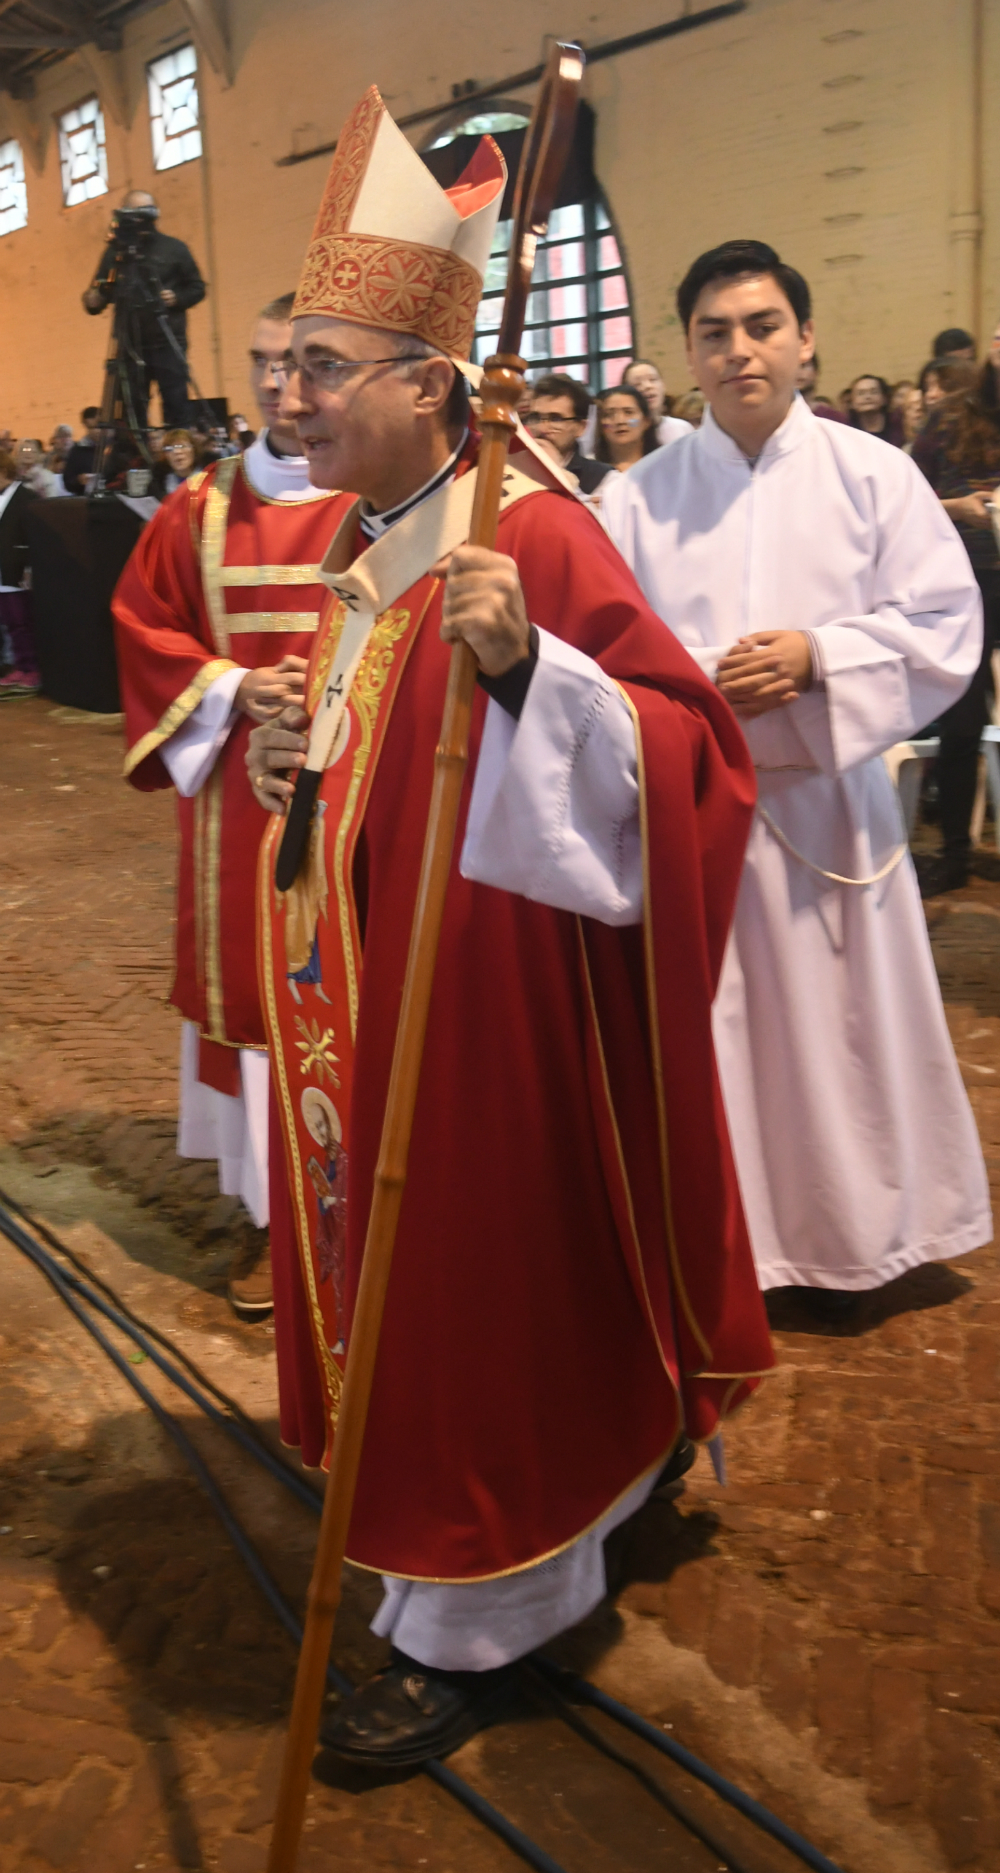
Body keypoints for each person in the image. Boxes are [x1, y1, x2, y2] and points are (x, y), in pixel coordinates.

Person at [246, 85, 772, 1768]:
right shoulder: (364, 544)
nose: (289, 393)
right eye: (286, 361)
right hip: (375, 1015)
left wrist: (534, 671)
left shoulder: (529, 528)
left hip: (496, 1041)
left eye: (324, 365)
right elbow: (361, 783)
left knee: (483, 1318)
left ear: (425, 382)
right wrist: (285, 764)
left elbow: (694, 755)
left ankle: (491, 1608)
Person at [601, 237, 991, 1316]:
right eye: (714, 333)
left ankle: (864, 1236)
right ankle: (743, 1248)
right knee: (724, 1035)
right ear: (686, 351)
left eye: (762, 326)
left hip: (830, 808)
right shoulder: (635, 497)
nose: (740, 351)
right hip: (696, 810)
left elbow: (943, 625)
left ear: (806, 341)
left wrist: (821, 656)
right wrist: (682, 701)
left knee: (844, 1032)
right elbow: (598, 656)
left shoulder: (874, 474)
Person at [112, 291, 353, 1321]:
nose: (275, 382)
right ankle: (274, 1224)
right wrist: (228, 687)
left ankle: (366, 1217)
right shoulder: (198, 510)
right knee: (262, 1000)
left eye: (296, 362)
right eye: (259, 361)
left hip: (358, 799)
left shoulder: (378, 496)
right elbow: (141, 628)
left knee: (362, 996)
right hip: (239, 816)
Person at [911, 317, 1000, 894]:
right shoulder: (950, 416)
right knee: (962, 723)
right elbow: (910, 499)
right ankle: (955, 851)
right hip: (969, 583)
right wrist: (962, 508)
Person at [83, 189, 206, 428]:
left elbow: (197, 287)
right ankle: (135, 458)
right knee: (131, 411)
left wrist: (177, 298)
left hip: (167, 341)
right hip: (129, 345)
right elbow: (97, 294)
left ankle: (176, 453)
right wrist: (93, 298)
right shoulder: (115, 254)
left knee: (175, 404)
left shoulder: (174, 248)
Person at [523, 372, 611, 493]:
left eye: (556, 419)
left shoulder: (603, 479)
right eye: (536, 418)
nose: (542, 428)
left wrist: (558, 472)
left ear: (581, 427)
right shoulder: (514, 470)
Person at [0, 447, 41, 698]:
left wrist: (29, 567)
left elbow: (34, 538)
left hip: (17, 572)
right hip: (3, 572)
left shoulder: (26, 497)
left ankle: (32, 669)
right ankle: (20, 666)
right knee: (10, 623)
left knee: (22, 622)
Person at [593, 383, 660, 470]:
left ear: (646, 421)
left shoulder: (664, 467)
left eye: (628, 412)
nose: (620, 421)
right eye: (609, 415)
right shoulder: (590, 472)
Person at [622, 358, 683, 446]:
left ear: (663, 385)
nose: (647, 386)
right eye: (637, 384)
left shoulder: (681, 428)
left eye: (653, 379)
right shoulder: (623, 432)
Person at [846, 373, 903, 445]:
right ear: (852, 402)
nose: (868, 397)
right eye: (861, 393)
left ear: (884, 398)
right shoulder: (847, 431)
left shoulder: (898, 426)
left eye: (874, 392)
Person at [63, 408, 102, 496]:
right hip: (88, 500)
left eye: (99, 426)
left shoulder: (114, 447)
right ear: (85, 425)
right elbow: (68, 482)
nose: (97, 431)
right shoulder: (78, 451)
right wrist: (79, 481)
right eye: (92, 427)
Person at [796, 352, 846, 422]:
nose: (797, 371)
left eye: (803, 365)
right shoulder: (777, 417)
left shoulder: (834, 418)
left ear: (816, 372)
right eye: (791, 367)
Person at [157, 428, 202, 495]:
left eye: (182, 446)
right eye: (170, 448)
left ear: (194, 450)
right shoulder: (159, 486)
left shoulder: (211, 481)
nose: (177, 452)